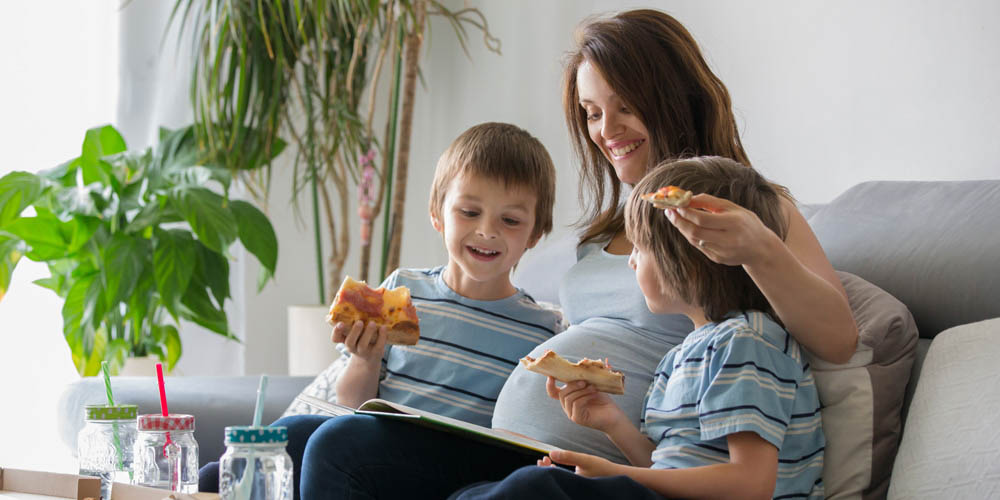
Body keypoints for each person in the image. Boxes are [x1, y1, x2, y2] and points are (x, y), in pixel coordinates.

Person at [292, 8, 857, 499]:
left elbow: (837, 337)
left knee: (344, 448)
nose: (606, 130)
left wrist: (759, 246)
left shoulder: (744, 211)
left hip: (583, 472)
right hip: (525, 446)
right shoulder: (598, 235)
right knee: (300, 439)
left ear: (674, 98)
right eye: (591, 112)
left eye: (625, 106)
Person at [197, 122, 564, 496]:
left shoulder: (542, 332)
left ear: (535, 233)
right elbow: (352, 405)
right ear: (437, 214)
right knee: (281, 440)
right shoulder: (404, 293)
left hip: (457, 468)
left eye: (511, 220)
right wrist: (363, 360)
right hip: (377, 449)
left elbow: (533, 436)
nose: (487, 230)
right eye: (469, 212)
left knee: (335, 440)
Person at [451, 156, 825, 499]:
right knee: (474, 493)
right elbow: (665, 467)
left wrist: (613, 474)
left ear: (690, 259)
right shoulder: (682, 355)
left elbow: (751, 485)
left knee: (533, 488)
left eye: (640, 249)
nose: (630, 262)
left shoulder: (744, 342)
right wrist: (612, 423)